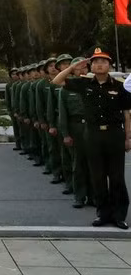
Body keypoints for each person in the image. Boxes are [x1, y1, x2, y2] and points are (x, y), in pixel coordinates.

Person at [54, 48, 131, 229]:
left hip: (114, 135)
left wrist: (128, 138)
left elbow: (127, 114)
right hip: (93, 135)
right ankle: (103, 214)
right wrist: (73, 66)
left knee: (117, 177)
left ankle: (119, 215)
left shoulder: (119, 85)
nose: (99, 64)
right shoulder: (84, 83)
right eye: (96, 61)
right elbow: (57, 81)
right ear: (91, 65)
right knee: (97, 177)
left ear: (109, 66)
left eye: (104, 62)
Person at [57, 57, 92, 208]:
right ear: (72, 70)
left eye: (85, 67)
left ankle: (94, 196)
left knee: (94, 164)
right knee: (78, 164)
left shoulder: (94, 85)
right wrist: (65, 134)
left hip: (92, 128)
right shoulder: (66, 89)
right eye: (78, 68)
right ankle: (80, 196)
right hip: (75, 128)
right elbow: (63, 114)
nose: (82, 70)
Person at [47, 55, 72, 188]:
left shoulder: (81, 81)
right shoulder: (55, 85)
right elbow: (50, 107)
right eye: (63, 64)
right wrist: (51, 124)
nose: (67, 66)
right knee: (65, 154)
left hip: (81, 123)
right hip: (61, 121)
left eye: (69, 63)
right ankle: (68, 182)